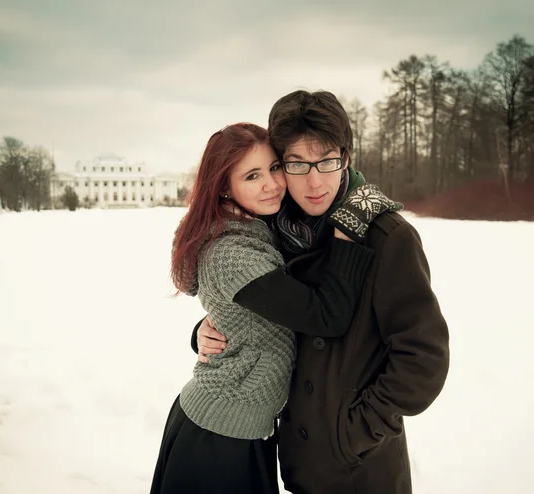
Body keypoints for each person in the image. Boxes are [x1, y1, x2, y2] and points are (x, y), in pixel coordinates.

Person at [193, 90, 450, 494]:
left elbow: (424, 358)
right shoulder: (276, 232)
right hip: (297, 463)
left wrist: (353, 434)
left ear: (346, 157)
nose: (315, 182)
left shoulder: (387, 238)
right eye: (296, 164)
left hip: (360, 470)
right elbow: (276, 311)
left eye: (327, 161)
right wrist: (207, 329)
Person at [150, 122, 396, 494]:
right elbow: (324, 316)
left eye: (275, 168)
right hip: (216, 438)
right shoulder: (232, 253)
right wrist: (346, 235)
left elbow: (253, 311)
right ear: (222, 187)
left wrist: (205, 326)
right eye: (252, 175)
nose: (272, 184)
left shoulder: (258, 228)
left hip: (244, 427)